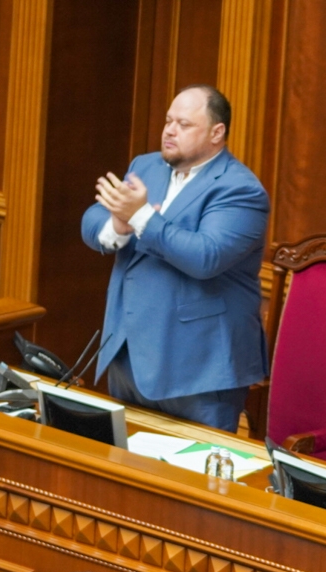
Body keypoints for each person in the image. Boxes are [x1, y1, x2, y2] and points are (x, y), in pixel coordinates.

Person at [80, 84, 269, 432]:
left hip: (197, 367)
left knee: (195, 465)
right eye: (168, 121)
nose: (169, 130)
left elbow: (206, 256)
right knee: (124, 460)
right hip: (129, 353)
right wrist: (118, 225)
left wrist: (140, 217)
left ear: (216, 133)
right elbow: (93, 218)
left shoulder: (240, 189)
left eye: (184, 124)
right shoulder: (146, 166)